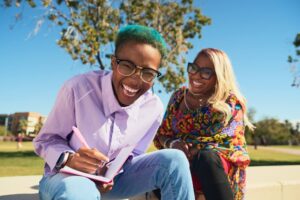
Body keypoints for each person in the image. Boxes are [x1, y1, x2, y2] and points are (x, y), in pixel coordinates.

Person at [33, 25, 194, 200]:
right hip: (67, 180)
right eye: (127, 66)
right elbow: (45, 140)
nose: (135, 80)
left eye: (147, 73)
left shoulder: (153, 108)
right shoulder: (78, 88)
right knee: (80, 190)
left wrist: (110, 172)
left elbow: (134, 155)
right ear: (113, 62)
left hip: (112, 184)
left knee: (174, 160)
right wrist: (69, 159)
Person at [153, 48, 254, 200]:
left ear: (219, 76)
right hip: (181, 166)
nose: (195, 75)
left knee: (206, 158)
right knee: (167, 162)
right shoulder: (178, 97)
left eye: (206, 72)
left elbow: (228, 146)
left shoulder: (230, 102)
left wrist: (190, 149)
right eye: (193, 68)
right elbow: (162, 133)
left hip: (213, 171)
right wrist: (173, 143)